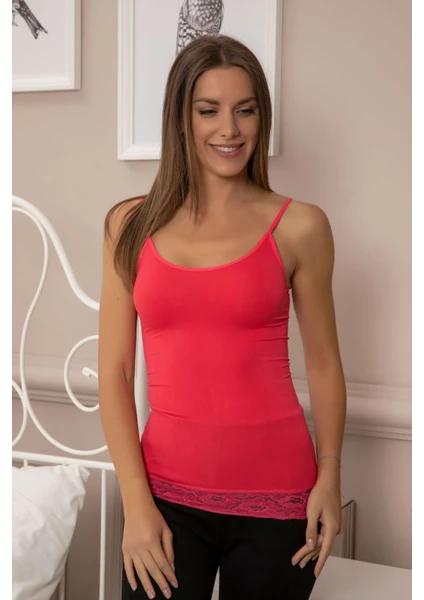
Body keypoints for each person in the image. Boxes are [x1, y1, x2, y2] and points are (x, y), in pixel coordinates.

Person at [98, 34, 347, 600]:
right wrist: (136, 503)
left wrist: (330, 476)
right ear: (180, 120)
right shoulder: (128, 226)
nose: (229, 129)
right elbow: (114, 373)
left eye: (245, 110)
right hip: (162, 501)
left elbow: (325, 363)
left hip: (280, 500)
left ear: (262, 118)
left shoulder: (301, 226)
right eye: (208, 110)